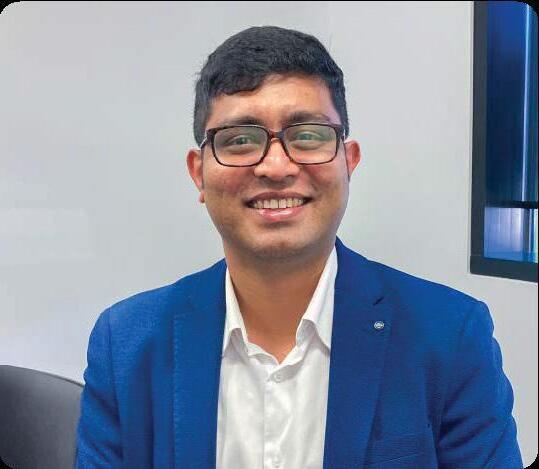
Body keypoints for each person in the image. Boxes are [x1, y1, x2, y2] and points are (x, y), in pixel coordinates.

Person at [75, 26, 523, 468]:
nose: (275, 167)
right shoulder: (127, 345)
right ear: (199, 174)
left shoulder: (450, 336)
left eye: (307, 135)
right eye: (239, 140)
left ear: (349, 162)